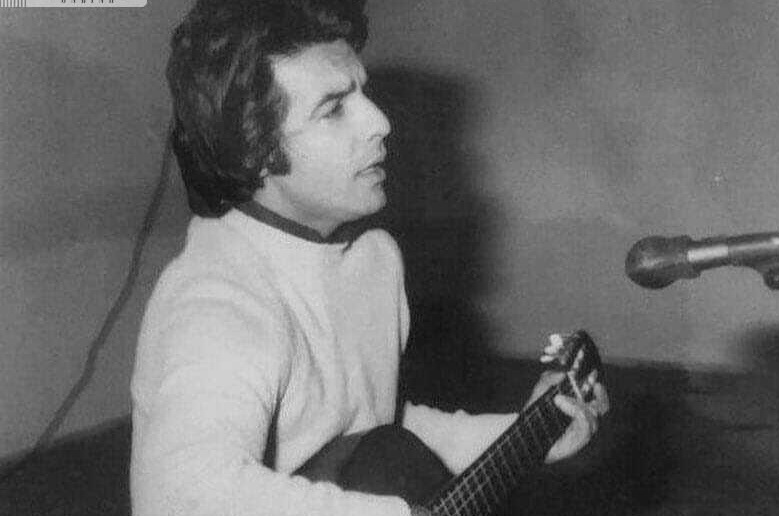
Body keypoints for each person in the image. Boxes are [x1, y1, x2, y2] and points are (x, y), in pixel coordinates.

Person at [129, 1, 609, 515]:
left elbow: (377, 431)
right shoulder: (216, 300)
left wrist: (528, 435)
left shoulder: (374, 259)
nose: (380, 121)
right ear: (255, 150)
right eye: (334, 108)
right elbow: (183, 494)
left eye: (364, 92)